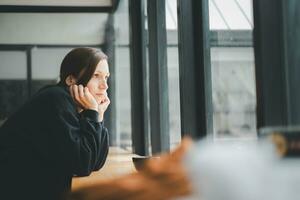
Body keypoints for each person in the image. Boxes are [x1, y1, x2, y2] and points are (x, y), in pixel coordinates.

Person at [0, 47, 110, 200]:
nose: (104, 85)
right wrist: (92, 112)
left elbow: (95, 162)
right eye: (96, 75)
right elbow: (83, 165)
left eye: (106, 77)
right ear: (71, 80)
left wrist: (98, 115)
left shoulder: (70, 105)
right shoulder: (55, 100)